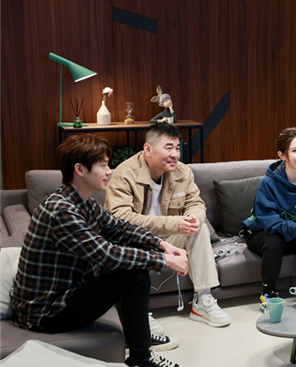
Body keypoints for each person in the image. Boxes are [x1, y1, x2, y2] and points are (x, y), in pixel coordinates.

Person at [11, 135, 185, 367]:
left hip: (65, 294)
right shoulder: (61, 210)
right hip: (45, 312)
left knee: (135, 256)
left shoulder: (84, 203)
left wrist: (161, 244)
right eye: (103, 165)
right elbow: (107, 255)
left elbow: (121, 228)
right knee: (133, 274)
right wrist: (163, 260)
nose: (109, 171)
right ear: (80, 169)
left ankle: (137, 335)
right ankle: (141, 358)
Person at [105, 123, 231, 328]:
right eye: (169, 147)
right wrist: (173, 223)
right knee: (131, 242)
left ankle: (203, 300)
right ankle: (137, 312)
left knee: (199, 229)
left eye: (178, 148)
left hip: (168, 240)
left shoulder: (183, 172)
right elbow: (120, 218)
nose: (175, 154)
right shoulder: (125, 173)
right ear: (148, 149)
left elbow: (196, 203)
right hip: (136, 240)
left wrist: (193, 218)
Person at [239, 128, 296, 310]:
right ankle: (269, 292)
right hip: (262, 233)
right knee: (276, 240)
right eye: (295, 150)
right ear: (282, 155)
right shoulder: (268, 183)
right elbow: (270, 222)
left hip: (294, 233)